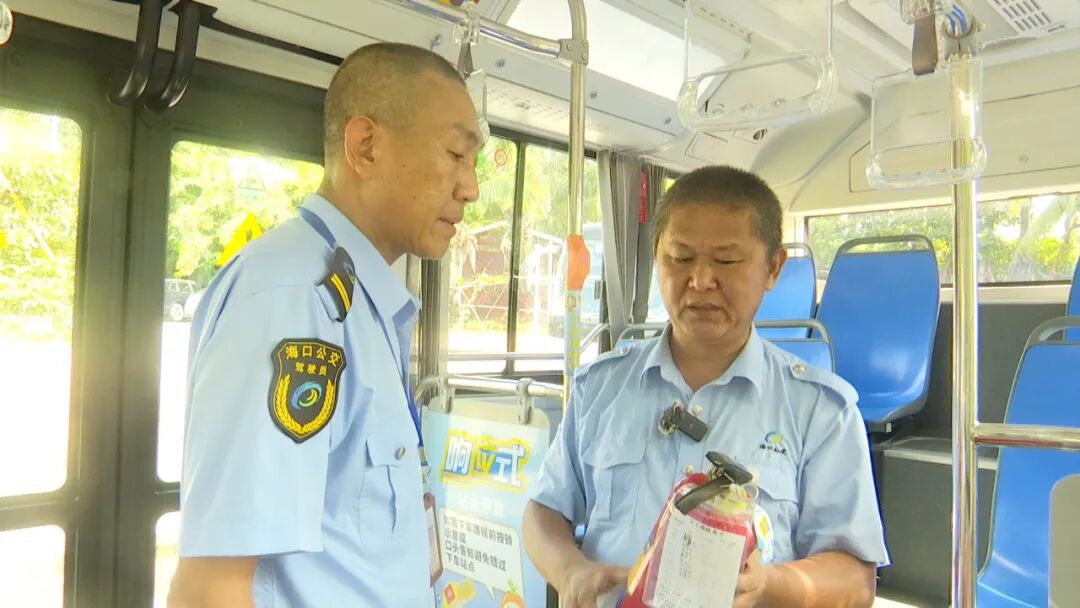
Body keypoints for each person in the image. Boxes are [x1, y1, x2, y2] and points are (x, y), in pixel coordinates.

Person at [167, 43, 482, 608]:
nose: (471, 187)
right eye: (456, 154)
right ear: (365, 147)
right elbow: (212, 587)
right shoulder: (294, 300)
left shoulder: (359, 302)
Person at [522, 166, 888, 608]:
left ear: (773, 268)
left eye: (726, 261)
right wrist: (569, 570)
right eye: (679, 258)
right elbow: (544, 510)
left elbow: (855, 579)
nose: (699, 280)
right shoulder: (599, 388)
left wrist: (770, 584)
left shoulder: (820, 410)